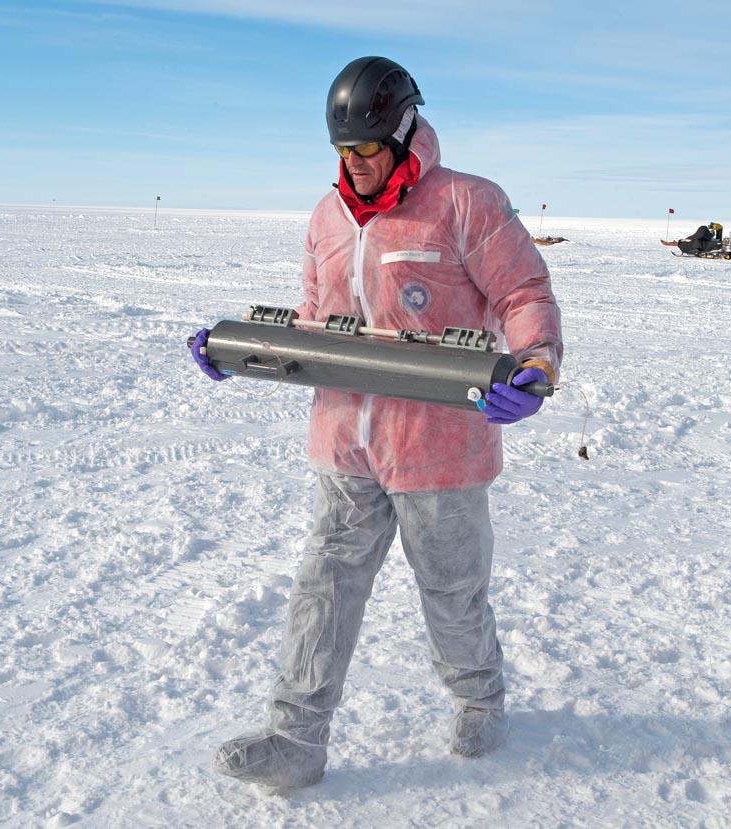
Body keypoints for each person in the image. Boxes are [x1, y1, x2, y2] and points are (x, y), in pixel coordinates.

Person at [190, 56, 563, 789]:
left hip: (439, 445)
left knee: (452, 591)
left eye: (366, 148)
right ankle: (295, 736)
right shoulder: (325, 217)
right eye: (341, 150)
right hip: (343, 439)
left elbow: (524, 292)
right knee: (323, 586)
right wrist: (245, 350)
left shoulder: (467, 202)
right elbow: (313, 318)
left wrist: (535, 364)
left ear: (402, 132)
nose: (353, 164)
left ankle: (479, 698)